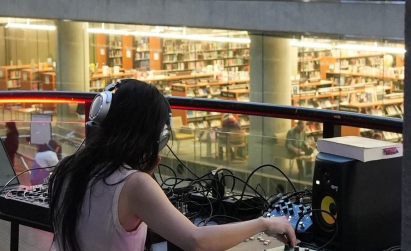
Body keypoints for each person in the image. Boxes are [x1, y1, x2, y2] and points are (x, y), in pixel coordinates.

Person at [49, 79, 296, 251]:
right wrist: (265, 223)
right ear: (152, 138)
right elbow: (197, 241)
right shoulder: (133, 184)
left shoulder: (67, 169)